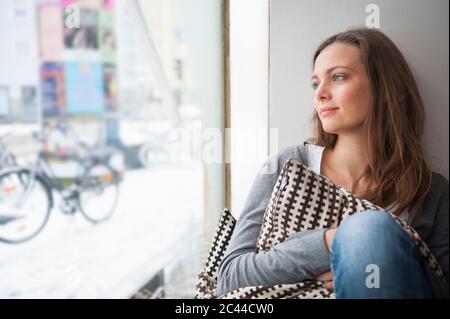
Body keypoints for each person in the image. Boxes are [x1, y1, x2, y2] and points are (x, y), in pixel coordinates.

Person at [217, 27, 449, 298]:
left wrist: (378, 269)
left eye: (338, 77)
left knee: (372, 230)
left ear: (384, 88)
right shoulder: (288, 165)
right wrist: (331, 243)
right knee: (367, 228)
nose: (320, 94)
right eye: (316, 83)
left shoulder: (430, 191)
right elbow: (229, 276)